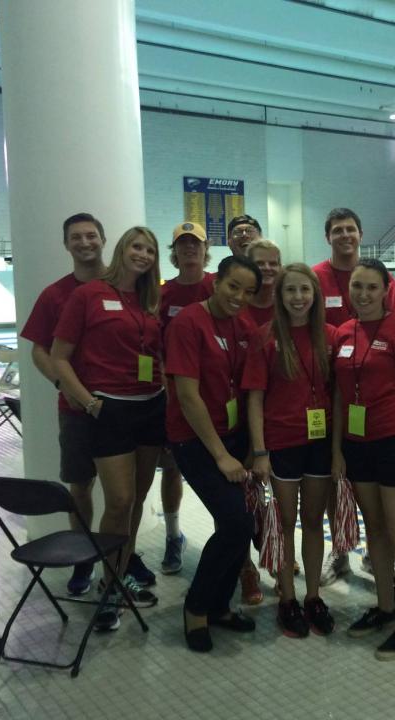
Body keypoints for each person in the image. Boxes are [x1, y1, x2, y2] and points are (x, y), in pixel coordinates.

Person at [52, 226, 165, 630]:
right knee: (118, 500)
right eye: (137, 246)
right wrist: (87, 401)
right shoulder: (88, 295)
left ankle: (118, 580)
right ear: (121, 249)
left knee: (135, 501)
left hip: (151, 407)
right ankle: (106, 581)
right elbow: (58, 356)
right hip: (109, 410)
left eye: (150, 250)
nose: (143, 254)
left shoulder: (151, 299)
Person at [332, 258, 395, 660]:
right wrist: (337, 448)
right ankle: (386, 607)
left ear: (385, 291)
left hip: (394, 442)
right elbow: (339, 396)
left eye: (372, 287)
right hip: (357, 444)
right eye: (358, 286)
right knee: (375, 528)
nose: (364, 294)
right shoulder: (343, 333)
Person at [166, 255, 262, 652]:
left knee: (242, 526)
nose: (239, 297)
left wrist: (254, 449)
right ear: (216, 282)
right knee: (236, 523)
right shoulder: (189, 322)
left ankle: (220, 605)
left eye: (248, 291)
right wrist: (221, 455)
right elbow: (188, 396)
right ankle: (196, 607)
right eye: (233, 286)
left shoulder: (244, 326)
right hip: (195, 440)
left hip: (234, 439)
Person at [243, 263, 336, 638]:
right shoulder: (265, 338)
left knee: (314, 521)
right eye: (290, 291)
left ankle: (313, 596)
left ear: (315, 295)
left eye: (305, 290)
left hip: (320, 443)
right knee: (283, 524)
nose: (298, 298)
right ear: (279, 297)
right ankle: (287, 597)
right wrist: (260, 451)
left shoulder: (329, 336)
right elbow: (255, 399)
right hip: (282, 443)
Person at [20, 212, 107, 596]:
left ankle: (124, 556)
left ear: (103, 239)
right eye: (77, 237)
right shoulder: (55, 294)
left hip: (124, 407)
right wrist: (63, 384)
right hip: (76, 409)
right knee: (80, 486)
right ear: (66, 245)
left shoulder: (124, 285)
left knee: (126, 493)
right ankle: (83, 556)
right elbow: (39, 351)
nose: (85, 243)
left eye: (91, 236)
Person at [156, 221, 216, 576]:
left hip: (216, 394)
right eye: (183, 244)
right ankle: (173, 535)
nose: (190, 249)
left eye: (196, 244)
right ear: (174, 251)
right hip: (177, 394)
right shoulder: (163, 294)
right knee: (172, 466)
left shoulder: (215, 286)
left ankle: (230, 541)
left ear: (205, 250)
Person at [313, 207, 363, 585]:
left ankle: (380, 551)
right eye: (338, 230)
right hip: (326, 391)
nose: (345, 235)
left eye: (351, 229)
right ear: (327, 236)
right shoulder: (316, 279)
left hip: (370, 392)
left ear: (360, 234)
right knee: (334, 476)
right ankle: (340, 551)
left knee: (374, 480)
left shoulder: (376, 277)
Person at [244, 239, 282, 327]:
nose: (267, 268)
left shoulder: (286, 306)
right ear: (248, 266)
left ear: (280, 267)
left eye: (273, 264)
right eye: (260, 263)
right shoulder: (236, 305)